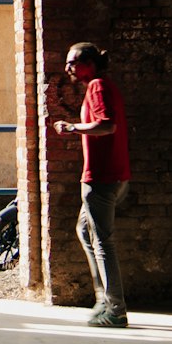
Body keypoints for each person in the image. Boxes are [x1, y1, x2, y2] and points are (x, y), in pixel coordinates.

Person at [52, 41, 131, 328]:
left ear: (90, 63)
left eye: (72, 62)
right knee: (85, 231)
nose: (67, 68)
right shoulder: (102, 86)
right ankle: (104, 299)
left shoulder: (98, 86)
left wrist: (72, 126)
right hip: (112, 176)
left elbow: (107, 125)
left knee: (103, 243)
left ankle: (115, 309)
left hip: (102, 178)